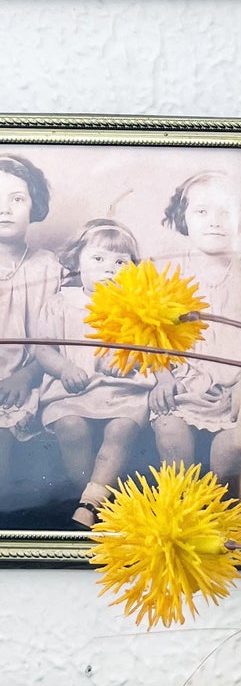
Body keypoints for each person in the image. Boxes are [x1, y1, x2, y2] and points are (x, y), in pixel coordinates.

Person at [32, 218, 152, 526]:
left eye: (120, 262)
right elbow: (43, 348)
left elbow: (149, 348)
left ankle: (90, 503)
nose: (110, 268)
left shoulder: (135, 308)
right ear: (76, 261)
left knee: (121, 429)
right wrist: (65, 368)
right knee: (71, 426)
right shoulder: (61, 303)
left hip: (121, 390)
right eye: (98, 258)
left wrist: (129, 359)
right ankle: (86, 499)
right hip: (72, 388)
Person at [151, 170, 241, 497]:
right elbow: (151, 332)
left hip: (237, 386)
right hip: (184, 381)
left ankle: (217, 513)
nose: (214, 221)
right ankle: (180, 507)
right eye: (202, 211)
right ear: (184, 219)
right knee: (170, 432)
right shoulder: (170, 272)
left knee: (229, 449)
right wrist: (163, 377)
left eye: (225, 211)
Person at [0, 153, 60, 512]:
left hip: (28, 377)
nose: (4, 209)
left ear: (33, 205)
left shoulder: (48, 267)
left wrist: (27, 374)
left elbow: (56, 339)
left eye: (17, 199)